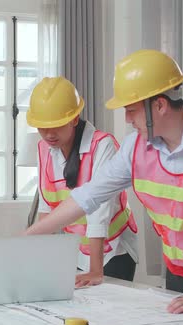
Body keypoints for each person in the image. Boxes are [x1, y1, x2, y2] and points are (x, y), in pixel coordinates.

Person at [24, 50, 183, 314]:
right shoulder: (136, 147)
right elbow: (88, 196)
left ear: (160, 105)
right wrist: (24, 238)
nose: (127, 119)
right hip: (179, 271)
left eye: (132, 110)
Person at [26, 76, 138, 287]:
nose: (49, 134)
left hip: (112, 252)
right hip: (77, 252)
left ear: (74, 119)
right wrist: (40, 258)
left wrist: (96, 270)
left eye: (56, 125)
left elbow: (99, 212)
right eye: (42, 126)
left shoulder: (102, 145)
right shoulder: (43, 148)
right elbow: (45, 206)